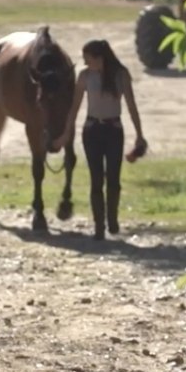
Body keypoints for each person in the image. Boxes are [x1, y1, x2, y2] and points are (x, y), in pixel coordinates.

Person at [56, 39, 147, 240]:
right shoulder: (85, 76)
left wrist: (139, 134)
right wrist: (66, 134)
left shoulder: (121, 75)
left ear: (100, 58)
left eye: (88, 59)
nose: (85, 63)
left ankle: (112, 219)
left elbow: (131, 105)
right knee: (96, 179)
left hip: (113, 129)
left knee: (113, 179)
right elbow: (74, 108)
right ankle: (99, 225)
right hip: (92, 130)